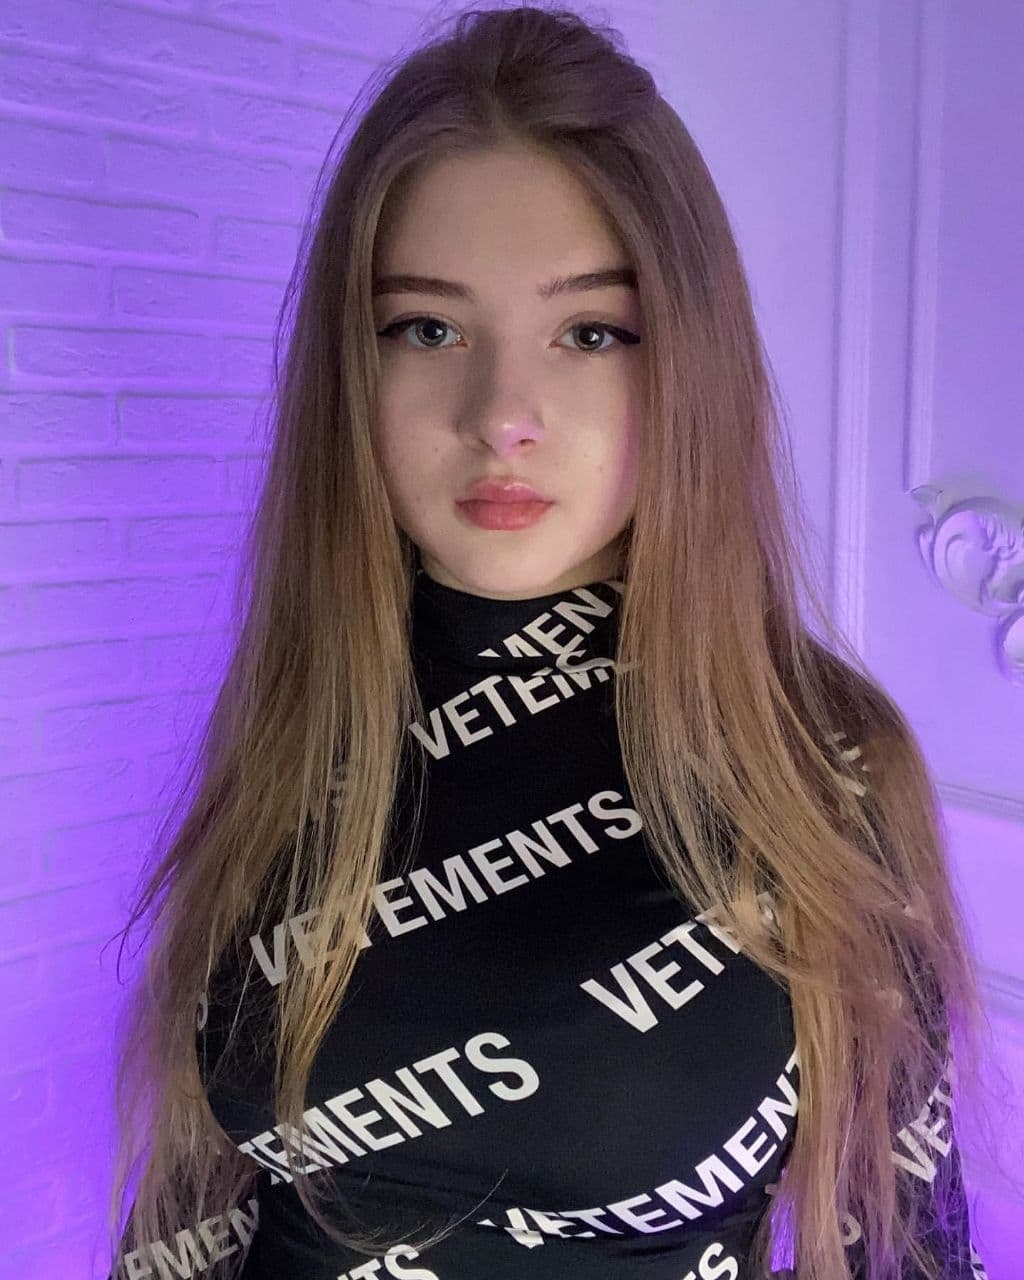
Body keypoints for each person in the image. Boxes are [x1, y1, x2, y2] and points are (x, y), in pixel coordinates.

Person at [106, 5, 999, 1278]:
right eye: (426, 327)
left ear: (684, 363)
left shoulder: (822, 763)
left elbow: (904, 1238)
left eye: (590, 332)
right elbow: (195, 1205)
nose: (502, 416)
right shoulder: (303, 719)